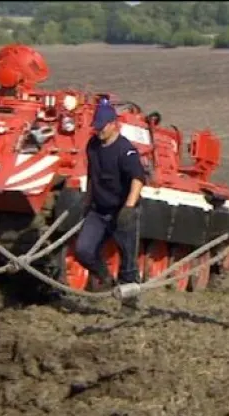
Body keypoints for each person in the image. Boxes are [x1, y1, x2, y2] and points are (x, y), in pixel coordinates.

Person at [74, 98, 146, 292]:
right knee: (83, 250)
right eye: (96, 127)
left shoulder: (125, 150)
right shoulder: (93, 146)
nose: (99, 131)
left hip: (122, 210)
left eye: (102, 127)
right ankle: (105, 277)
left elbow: (138, 178)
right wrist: (87, 202)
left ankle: (129, 304)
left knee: (128, 261)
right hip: (98, 210)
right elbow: (92, 175)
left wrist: (129, 208)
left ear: (114, 125)